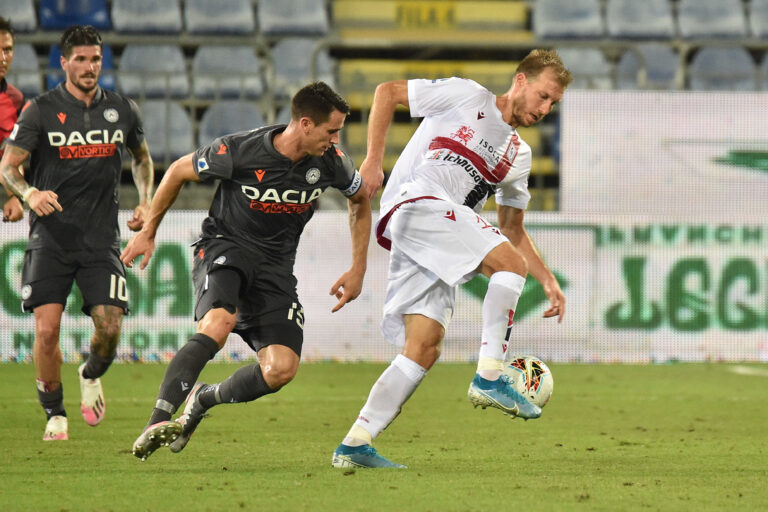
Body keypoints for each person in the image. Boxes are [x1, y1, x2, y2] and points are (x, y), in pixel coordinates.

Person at [331, 49, 572, 469]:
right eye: (543, 96)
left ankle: (355, 442)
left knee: (423, 347)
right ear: (520, 81)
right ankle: (490, 376)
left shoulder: (518, 156)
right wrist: (372, 161)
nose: (545, 109)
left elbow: (512, 228)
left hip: (432, 234)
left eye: (553, 104)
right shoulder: (467, 95)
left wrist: (547, 279)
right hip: (416, 202)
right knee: (509, 266)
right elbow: (387, 93)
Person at [122, 81, 371, 461]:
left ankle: (203, 398)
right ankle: (157, 421)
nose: (336, 139)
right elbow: (175, 172)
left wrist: (358, 267)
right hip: (225, 247)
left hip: (275, 269)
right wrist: (149, 231)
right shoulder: (238, 150)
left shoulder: (332, 162)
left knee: (281, 369)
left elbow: (360, 201)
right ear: (305, 124)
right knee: (218, 323)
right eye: (331, 130)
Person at [0, 25, 155, 441]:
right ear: (64, 62)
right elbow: (8, 167)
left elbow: (142, 159)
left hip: (102, 239)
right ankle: (54, 412)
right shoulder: (39, 110)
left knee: (110, 327)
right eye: (81, 60)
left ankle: (90, 373)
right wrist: (29, 193)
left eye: (96, 59)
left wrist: (146, 200)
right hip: (50, 239)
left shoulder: (123, 110)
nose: (90, 67)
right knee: (47, 331)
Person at [0, 16, 25, 223]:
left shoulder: (15, 100)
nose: (2, 58)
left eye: (7, 50)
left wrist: (15, 196)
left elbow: (11, 157)